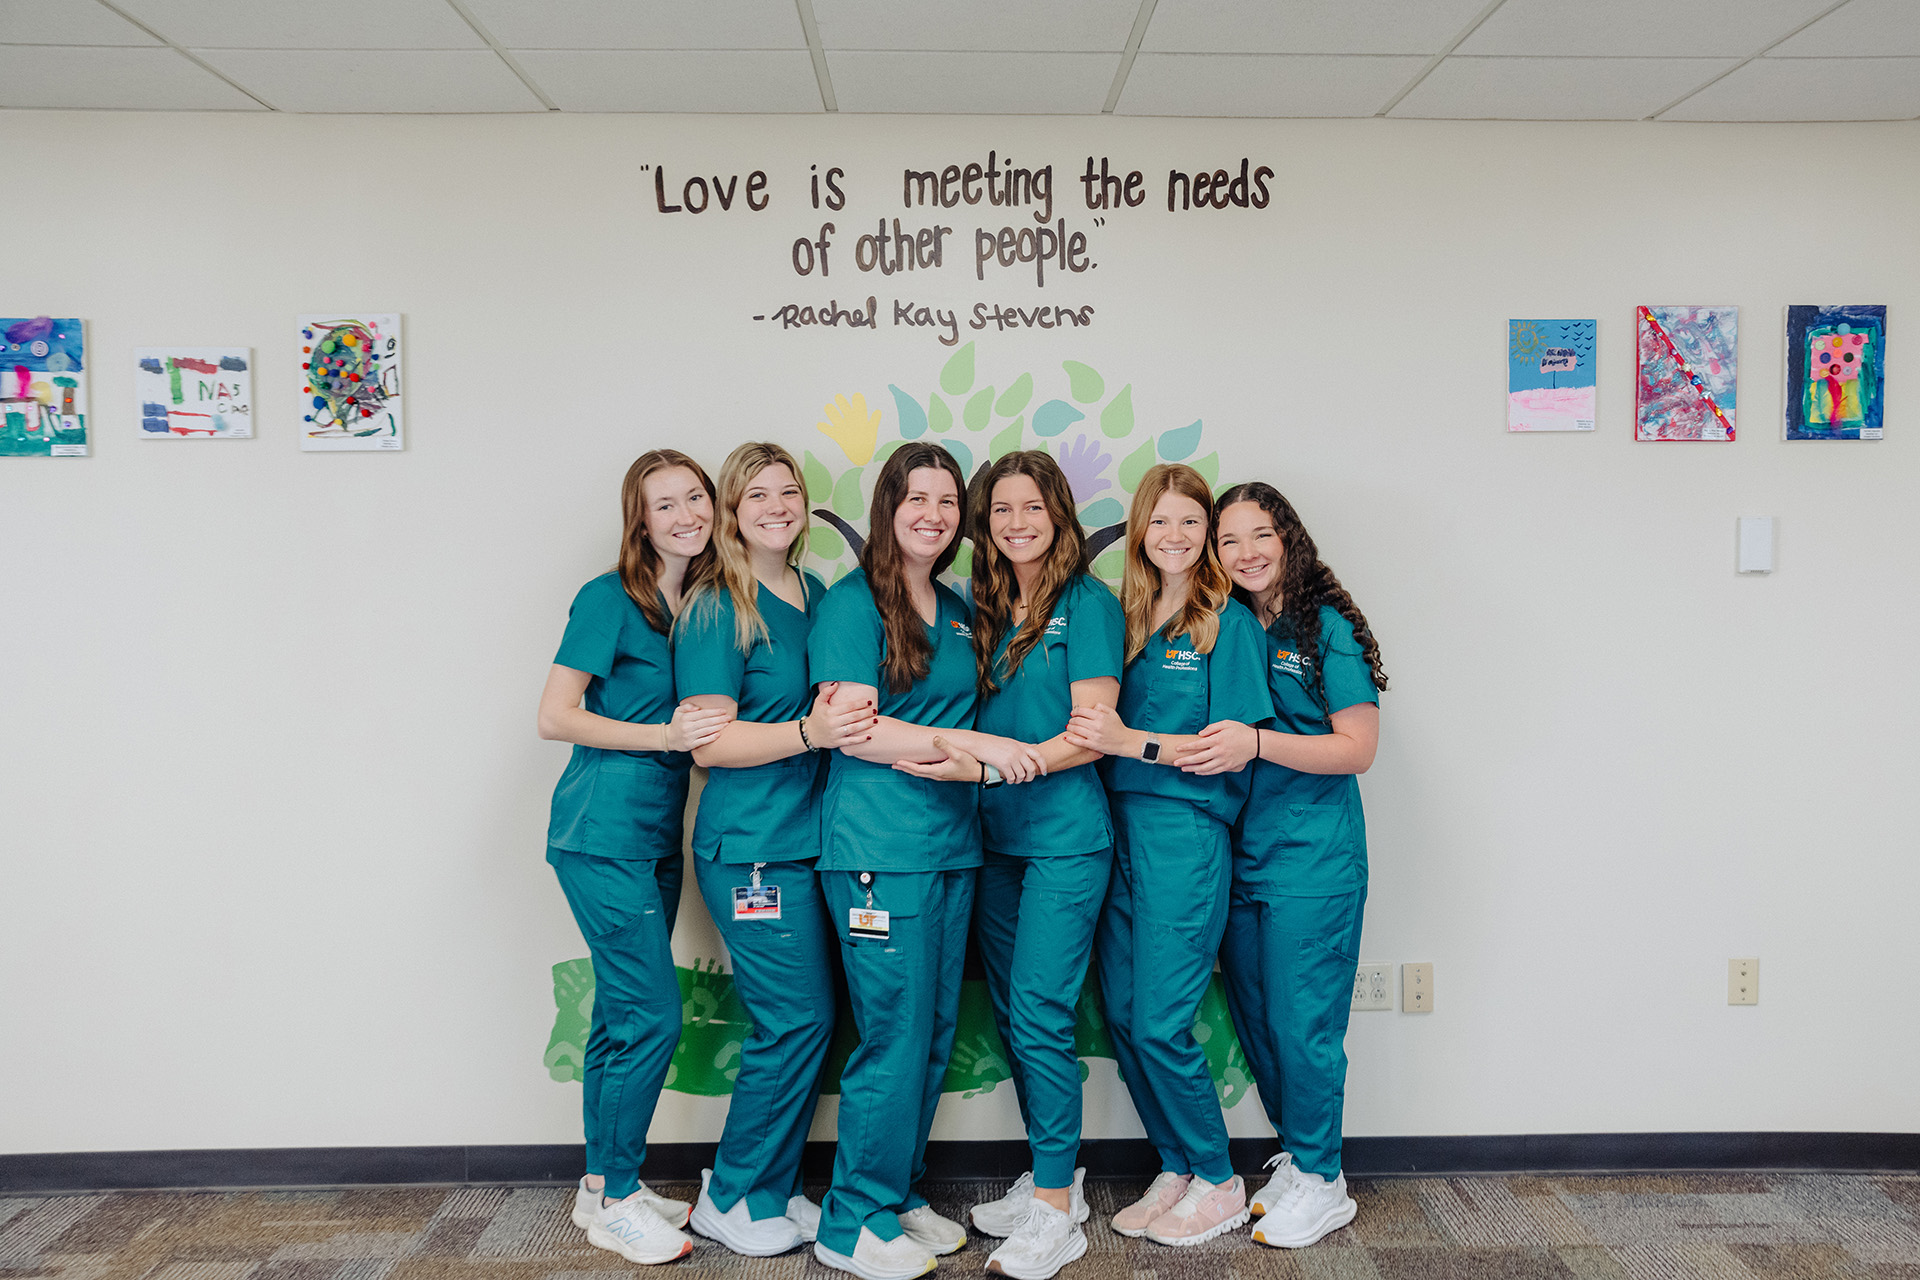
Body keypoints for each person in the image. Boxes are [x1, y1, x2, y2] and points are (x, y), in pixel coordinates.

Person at [806, 442, 1047, 1280]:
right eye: (918, 497)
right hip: (879, 849)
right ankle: (851, 1219)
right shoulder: (850, 605)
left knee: (933, 1032)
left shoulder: (950, 605)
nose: (934, 514)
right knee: (893, 1036)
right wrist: (971, 740)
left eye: (948, 501)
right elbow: (855, 728)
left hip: (952, 848)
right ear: (888, 506)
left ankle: (897, 1193)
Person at [673, 442, 879, 1256]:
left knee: (813, 1022)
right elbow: (707, 745)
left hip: (808, 842)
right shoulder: (720, 604)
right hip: (749, 845)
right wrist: (807, 731)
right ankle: (731, 1193)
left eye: (788, 491)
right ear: (731, 509)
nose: (776, 505)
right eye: (755, 493)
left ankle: (767, 1186)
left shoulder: (818, 591)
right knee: (794, 1021)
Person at [1062, 462, 1272, 1248]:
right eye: (1161, 522)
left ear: (1207, 536)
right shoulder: (1125, 620)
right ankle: (1179, 1163)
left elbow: (1230, 751)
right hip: (1116, 832)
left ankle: (1219, 1178)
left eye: (1191, 522)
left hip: (1185, 834)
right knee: (1120, 1014)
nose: (1175, 537)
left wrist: (1129, 742)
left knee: (1158, 1020)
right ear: (1140, 533)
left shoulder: (1228, 626)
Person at [1176, 482, 1387, 1249]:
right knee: (1260, 1022)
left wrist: (1257, 743)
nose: (1246, 553)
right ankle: (1301, 1157)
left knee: (1305, 1026)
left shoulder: (1322, 626)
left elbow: (1357, 749)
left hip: (1313, 861)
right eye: (1229, 541)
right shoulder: (1224, 626)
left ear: (1289, 537)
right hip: (1240, 855)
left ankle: (1326, 1181)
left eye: (1260, 534)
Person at [535, 449, 731, 1265]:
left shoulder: (695, 604)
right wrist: (660, 736)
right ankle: (617, 1195)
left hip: (654, 834)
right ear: (638, 520)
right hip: (600, 830)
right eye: (664, 504)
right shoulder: (606, 598)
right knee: (650, 1014)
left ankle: (601, 1184)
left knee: (623, 1014)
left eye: (696, 497)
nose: (685, 513)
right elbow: (554, 715)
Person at [928, 452, 1121, 1279]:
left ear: (1060, 513)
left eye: (1030, 507)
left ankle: (1054, 1210)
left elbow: (1092, 728)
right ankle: (1057, 1178)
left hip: (1065, 837)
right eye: (999, 510)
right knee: (1014, 1010)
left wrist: (1013, 766)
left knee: (1041, 1008)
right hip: (993, 842)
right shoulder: (985, 606)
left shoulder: (1090, 604)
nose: (1015, 523)